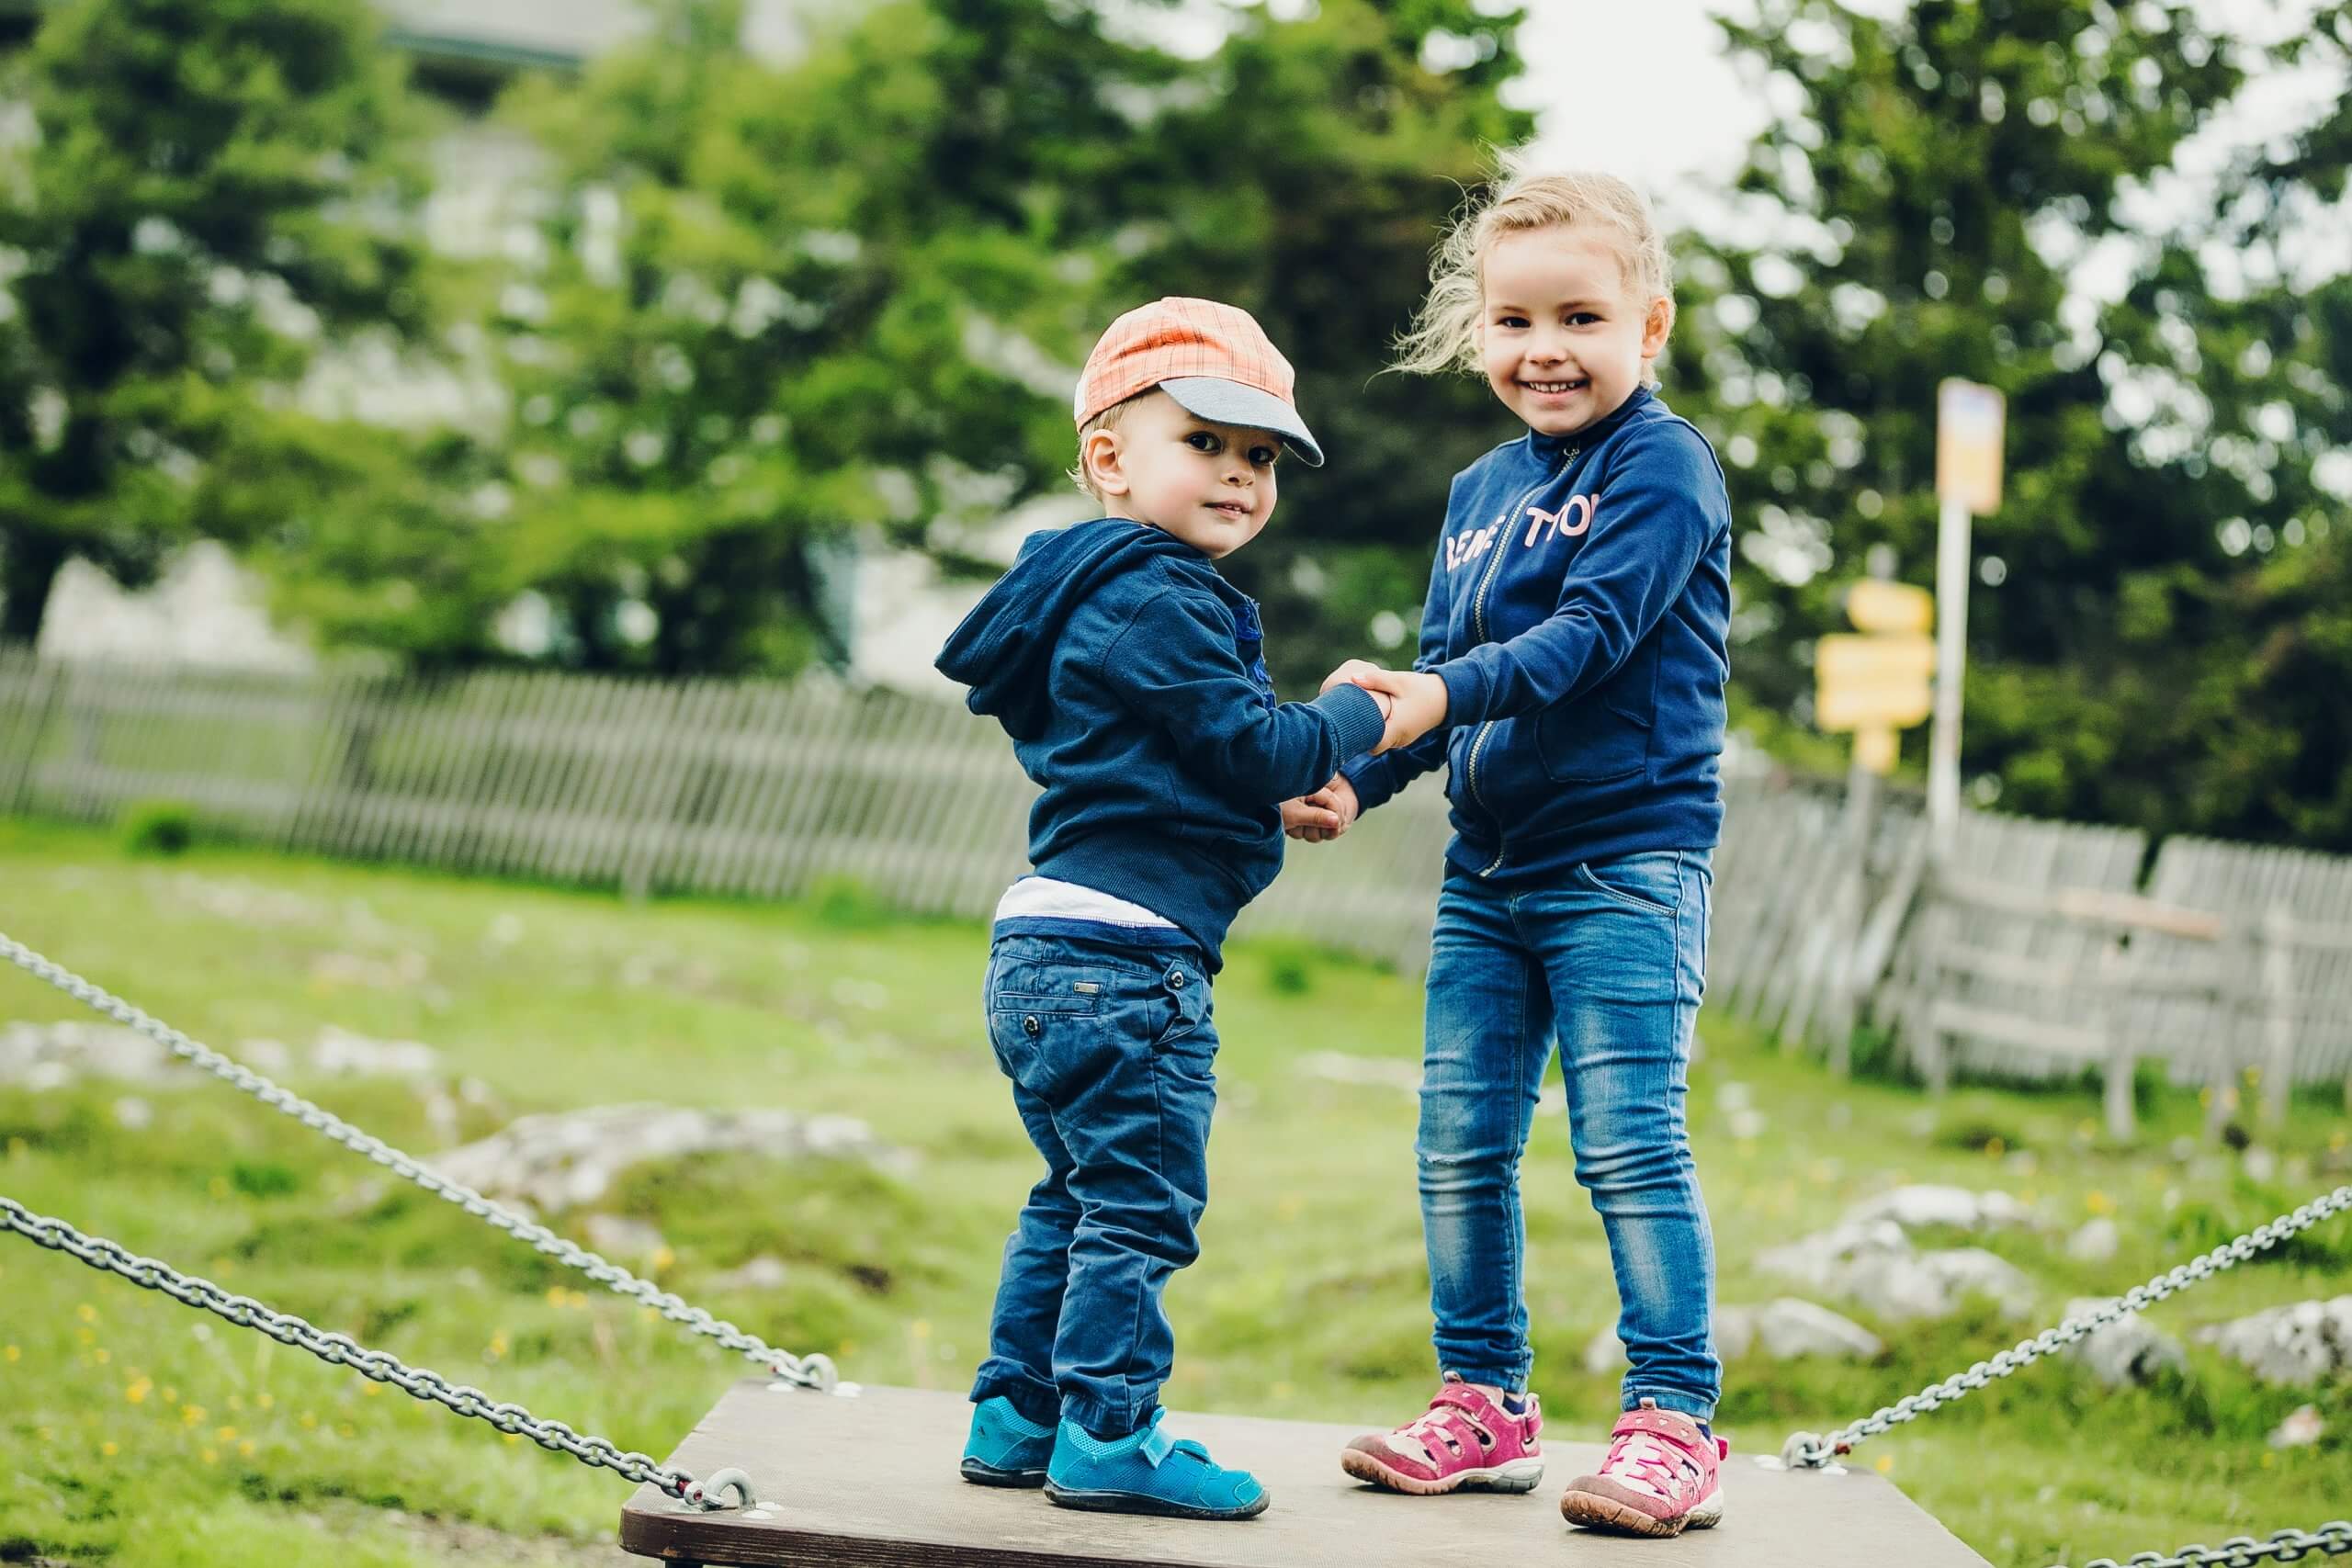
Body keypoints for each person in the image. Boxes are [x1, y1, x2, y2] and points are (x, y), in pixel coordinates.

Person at [1319, 167, 1736, 1538]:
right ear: (1480, 331)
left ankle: (1674, 1420)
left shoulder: (1664, 468)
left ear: (1649, 325)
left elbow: (1586, 643)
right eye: (1513, 321)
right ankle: (1485, 1403)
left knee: (1627, 1145)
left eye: (1578, 317)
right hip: (1487, 879)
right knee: (1458, 1143)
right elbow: (1447, 684)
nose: (1542, 348)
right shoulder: (1480, 491)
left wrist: (1441, 695)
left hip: (1626, 863)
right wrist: (1356, 785)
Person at [934, 297, 1397, 1521]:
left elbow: (1161, 762)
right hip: (1126, 967)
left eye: (1260, 459)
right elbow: (1255, 743)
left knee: (1074, 1193)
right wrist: (1350, 715)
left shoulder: (1092, 591)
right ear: (1110, 457)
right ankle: (1111, 1434)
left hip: (1049, 947)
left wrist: (1268, 805)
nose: (1241, 478)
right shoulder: (1160, 593)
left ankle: (1017, 1412)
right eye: (1207, 443)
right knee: (1140, 1202)